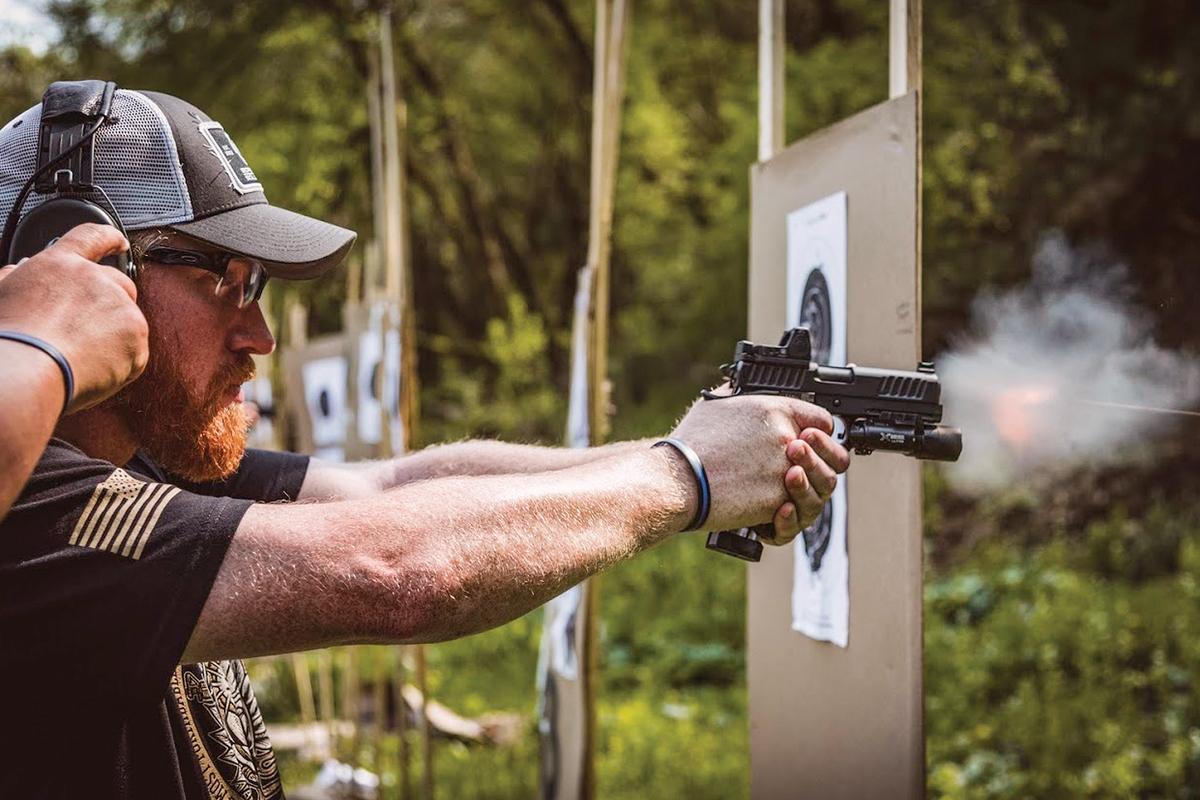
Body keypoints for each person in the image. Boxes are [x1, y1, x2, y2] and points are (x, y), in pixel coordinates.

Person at [0, 84, 850, 798]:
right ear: (79, 263)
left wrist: (692, 445)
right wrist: (686, 477)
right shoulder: (32, 513)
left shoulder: (140, 465)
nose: (258, 334)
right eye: (224, 280)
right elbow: (397, 569)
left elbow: (396, 489)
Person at [0, 225, 148, 519]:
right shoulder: (42, 475)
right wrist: (40, 335)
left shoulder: (146, 451)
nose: (264, 340)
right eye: (218, 280)